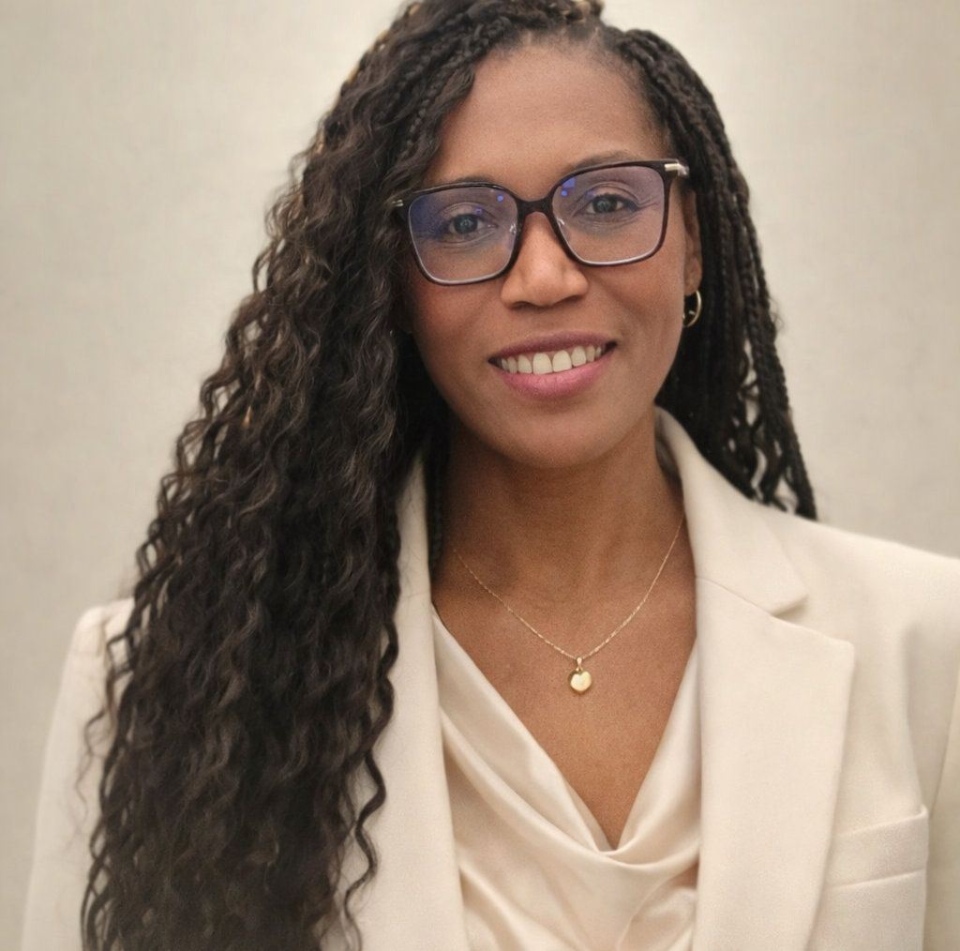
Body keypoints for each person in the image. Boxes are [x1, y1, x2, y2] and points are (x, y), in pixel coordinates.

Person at [22, 0, 960, 948]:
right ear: (390, 280)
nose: (544, 276)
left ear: (695, 241)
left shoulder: (923, 643)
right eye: (466, 222)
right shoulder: (170, 679)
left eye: (605, 203)